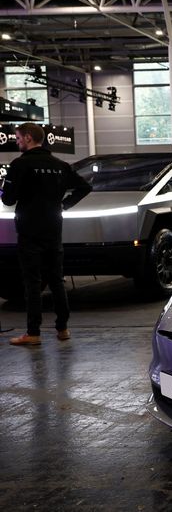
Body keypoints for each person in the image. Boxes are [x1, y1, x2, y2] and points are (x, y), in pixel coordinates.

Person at [1, 123, 92, 346]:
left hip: (29, 230)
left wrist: (6, 189)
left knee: (32, 282)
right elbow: (84, 187)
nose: (17, 142)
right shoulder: (59, 165)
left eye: (19, 138)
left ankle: (33, 333)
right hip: (53, 228)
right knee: (56, 280)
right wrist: (64, 204)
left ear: (29, 138)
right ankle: (63, 329)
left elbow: (8, 200)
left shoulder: (20, 165)